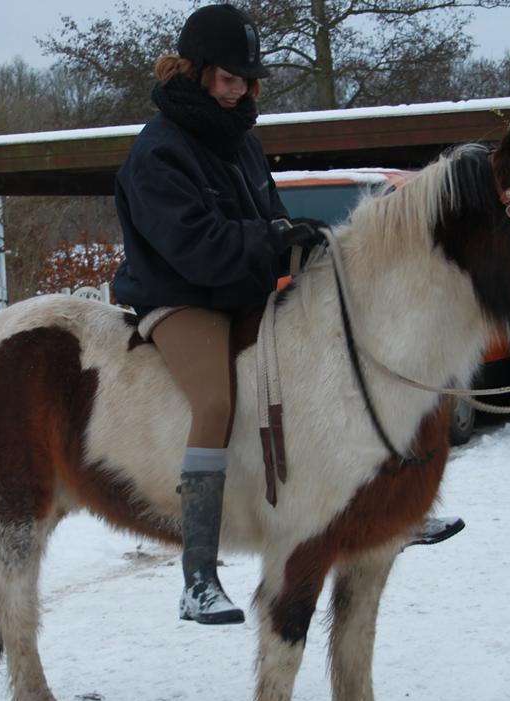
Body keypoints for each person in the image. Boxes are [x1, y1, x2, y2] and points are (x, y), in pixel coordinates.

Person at [113, 4, 326, 625]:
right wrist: (268, 240)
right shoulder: (158, 152)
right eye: (228, 78)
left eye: (245, 80)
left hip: (242, 290)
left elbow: (267, 215)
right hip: (182, 295)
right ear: (195, 70)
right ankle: (198, 576)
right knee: (213, 403)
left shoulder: (243, 143)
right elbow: (196, 248)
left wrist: (296, 235)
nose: (238, 90)